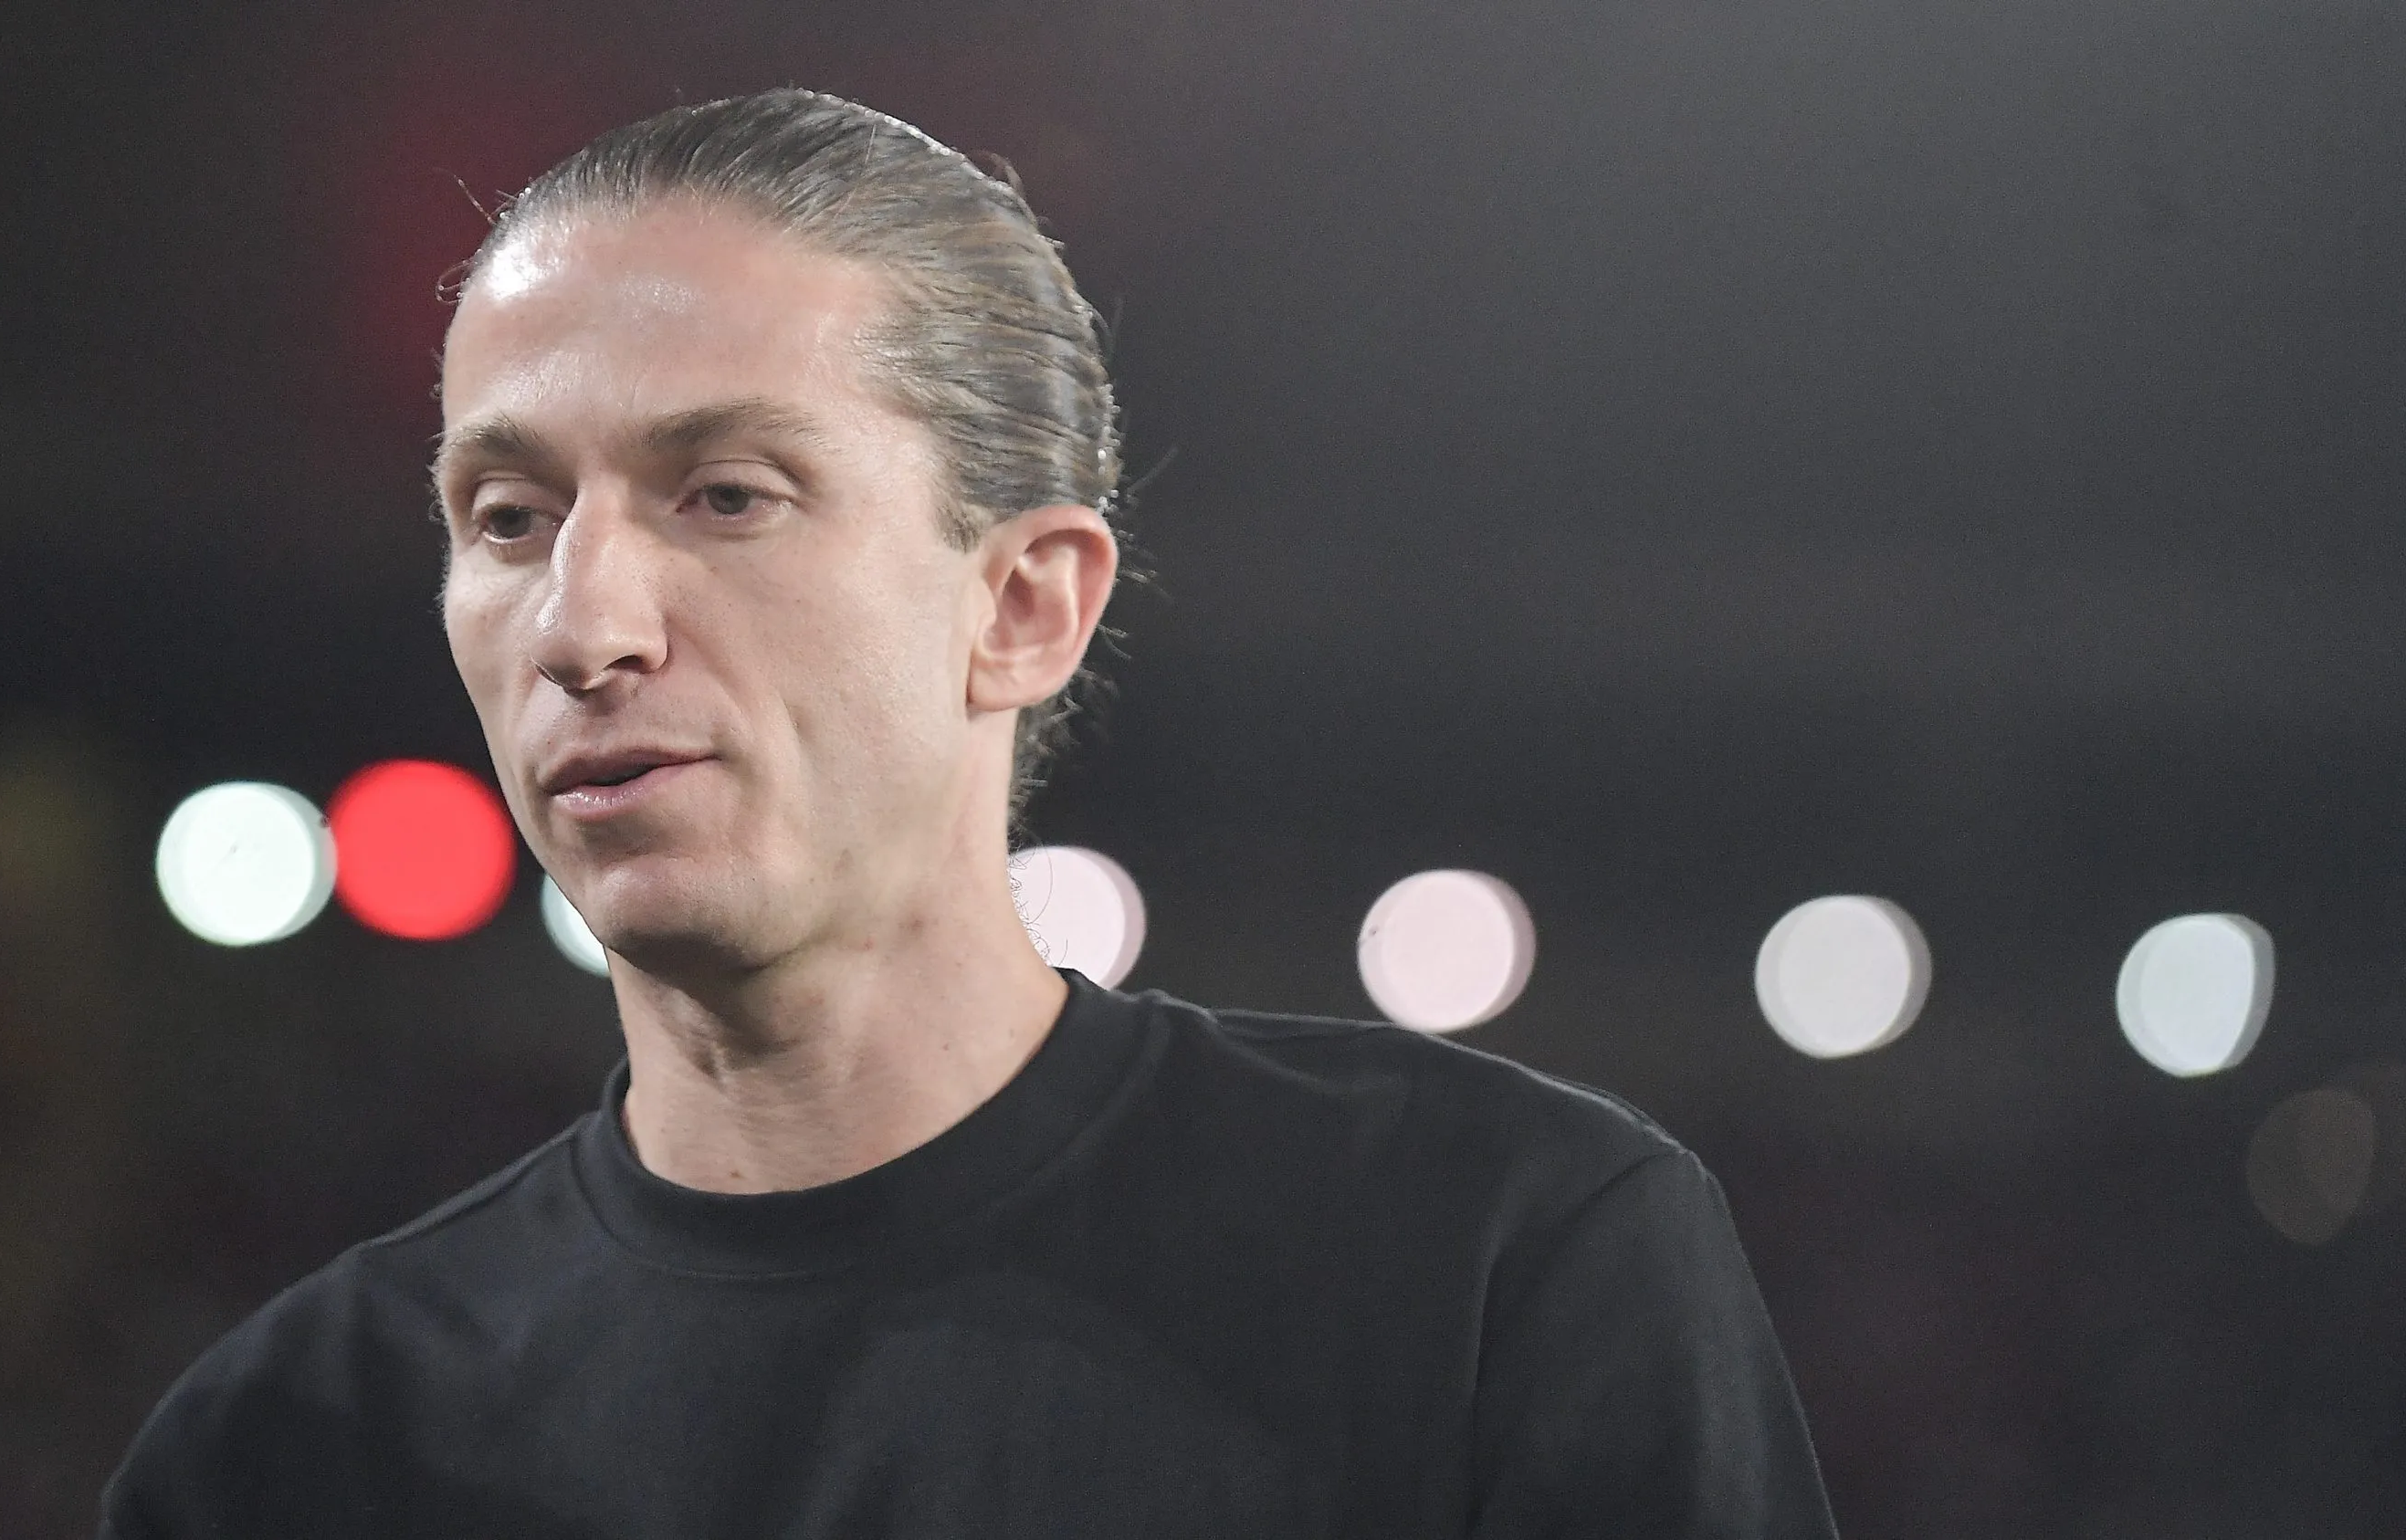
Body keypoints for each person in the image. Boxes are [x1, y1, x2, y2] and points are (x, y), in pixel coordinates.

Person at [100, 88, 1839, 1538]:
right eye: (503, 515)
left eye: (727, 492)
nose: (580, 623)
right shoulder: (282, 1457)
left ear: (1023, 605)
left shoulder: (1504, 1267)